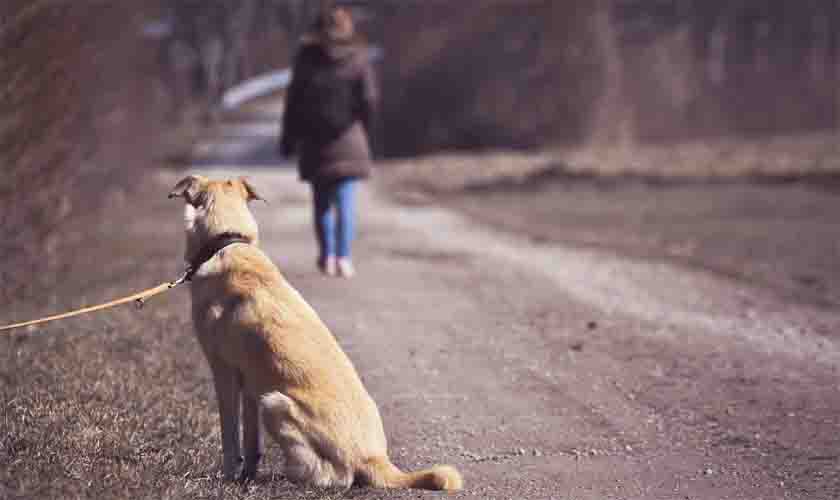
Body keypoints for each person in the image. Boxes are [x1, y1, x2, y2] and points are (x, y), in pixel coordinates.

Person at [279, 5, 378, 278]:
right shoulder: (358, 58)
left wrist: (288, 138)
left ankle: (327, 257)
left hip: (315, 142)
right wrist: (364, 128)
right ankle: (344, 258)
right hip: (349, 138)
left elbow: (293, 103)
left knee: (321, 203)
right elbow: (369, 99)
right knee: (346, 203)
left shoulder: (306, 59)